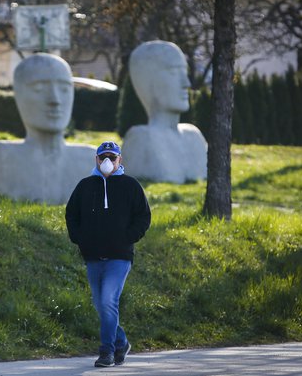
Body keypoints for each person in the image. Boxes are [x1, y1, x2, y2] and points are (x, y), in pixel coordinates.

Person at [65, 141, 151, 367]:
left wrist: (128, 237)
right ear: (96, 159)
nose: (107, 162)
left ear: (119, 160)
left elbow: (143, 216)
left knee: (107, 300)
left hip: (120, 257)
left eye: (112, 158)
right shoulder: (85, 186)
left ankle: (107, 352)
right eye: (103, 157)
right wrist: (79, 237)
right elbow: (71, 214)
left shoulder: (130, 185)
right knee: (101, 305)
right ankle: (121, 341)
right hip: (93, 256)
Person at [0, 53, 95, 204]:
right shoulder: (2, 158)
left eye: (64, 89)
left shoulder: (91, 160)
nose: (55, 100)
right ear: (18, 95)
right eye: (39, 89)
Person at [121, 40, 207, 183]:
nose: (186, 83)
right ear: (147, 81)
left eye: (184, 72)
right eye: (173, 72)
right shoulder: (140, 139)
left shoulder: (194, 136)